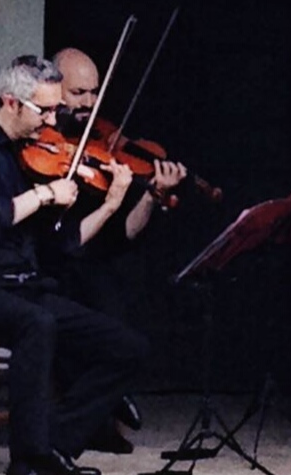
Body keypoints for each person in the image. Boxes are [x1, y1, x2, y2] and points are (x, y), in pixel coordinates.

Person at [0, 55, 149, 475]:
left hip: (27, 287)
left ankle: (54, 441)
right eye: (45, 111)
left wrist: (111, 205)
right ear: (11, 102)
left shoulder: (35, 156)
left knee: (127, 347)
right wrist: (43, 194)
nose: (54, 120)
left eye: (55, 110)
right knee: (38, 324)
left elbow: (64, 243)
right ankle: (24, 464)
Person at [43, 47, 188, 452]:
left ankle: (101, 406)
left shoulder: (98, 148)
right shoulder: (39, 145)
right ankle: (99, 405)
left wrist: (151, 195)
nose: (89, 104)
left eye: (94, 94)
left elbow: (121, 234)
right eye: (78, 94)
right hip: (50, 259)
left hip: (87, 257)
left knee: (122, 275)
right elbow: (60, 239)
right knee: (87, 287)